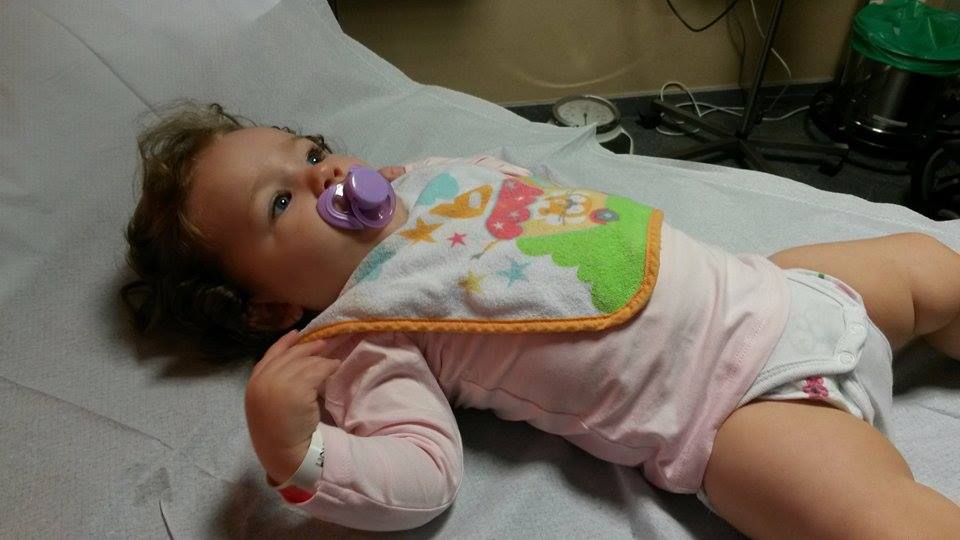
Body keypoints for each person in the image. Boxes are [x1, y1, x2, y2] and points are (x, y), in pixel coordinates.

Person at [122, 100, 960, 535]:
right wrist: (297, 450)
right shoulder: (366, 335)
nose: (320, 175)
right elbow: (422, 477)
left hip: (776, 289)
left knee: (927, 266)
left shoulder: (425, 181)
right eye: (280, 203)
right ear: (271, 306)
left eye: (307, 153)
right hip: (740, 412)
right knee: (883, 521)